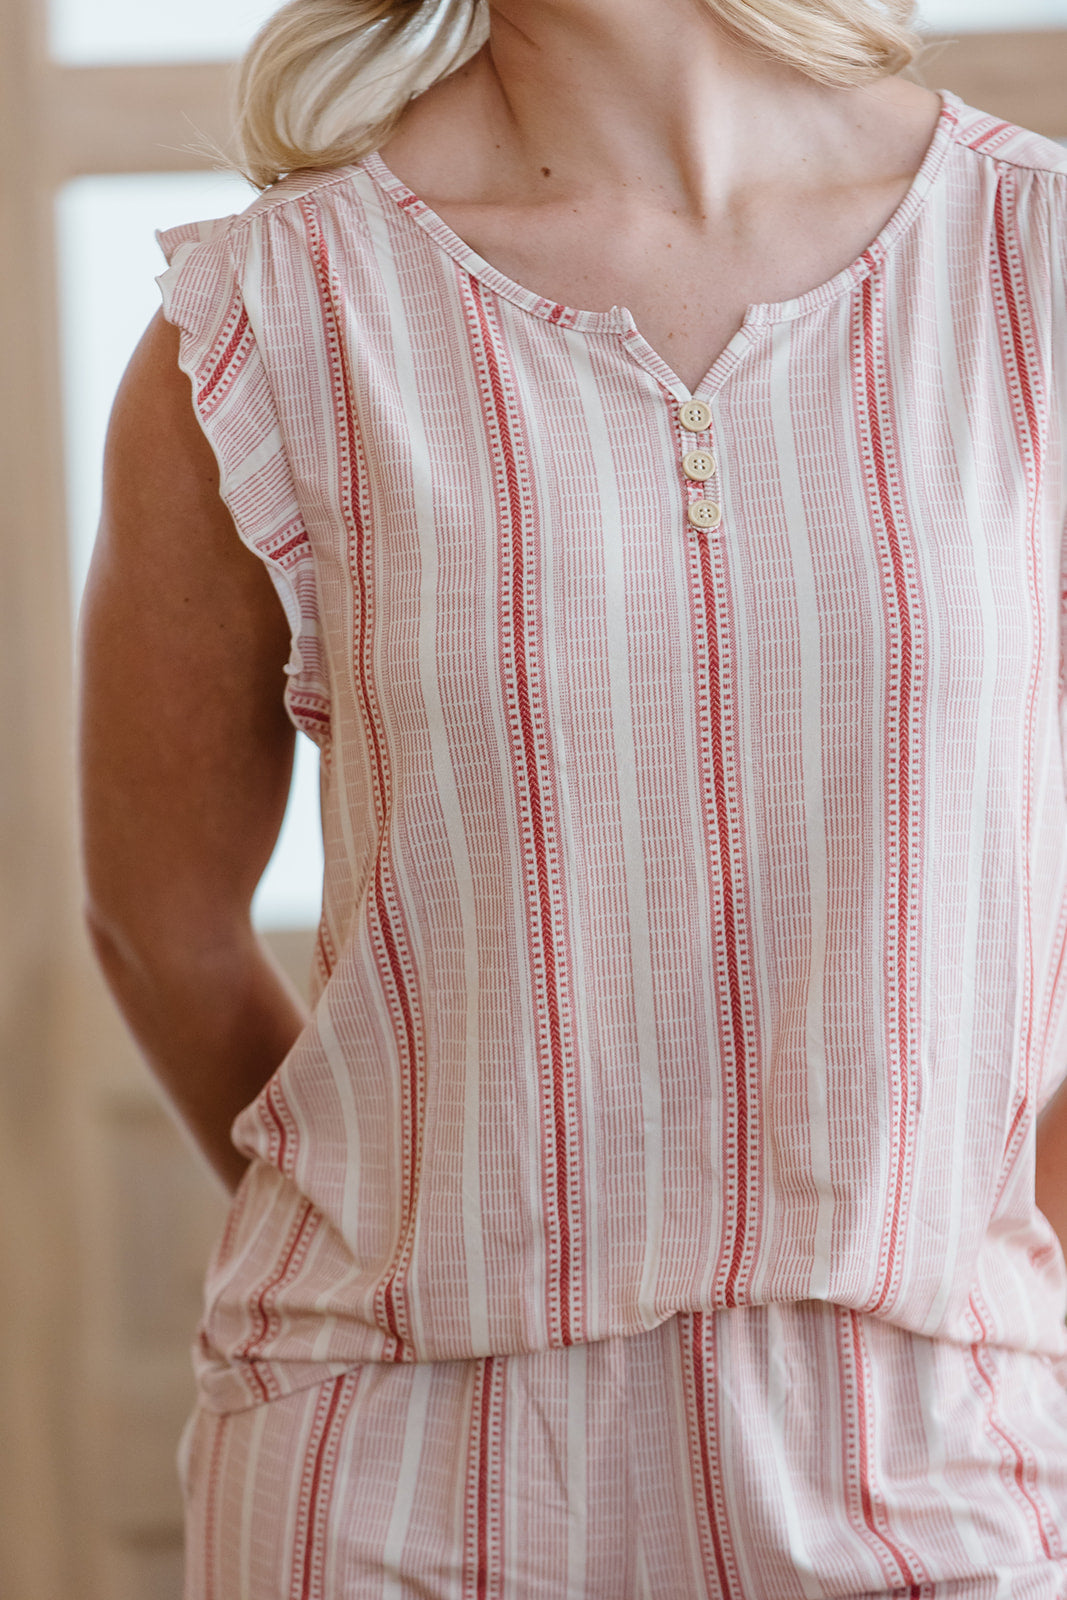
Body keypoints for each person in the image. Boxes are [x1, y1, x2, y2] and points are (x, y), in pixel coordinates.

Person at [77, 0, 1067, 1594]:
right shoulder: (270, 320)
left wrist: (981, 1270)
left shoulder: (1036, 267)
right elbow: (161, 929)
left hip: (935, 1452)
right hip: (382, 1468)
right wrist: (414, 1239)